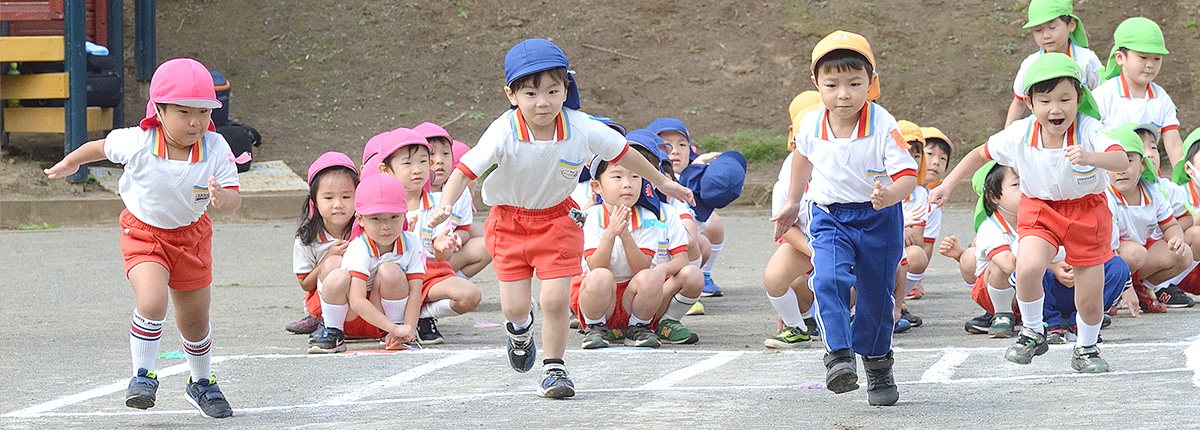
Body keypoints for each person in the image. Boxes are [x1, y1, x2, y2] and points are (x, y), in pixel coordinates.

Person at [433, 38, 693, 399]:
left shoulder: (581, 126)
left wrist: (664, 182)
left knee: (554, 300)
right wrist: (445, 204)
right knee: (515, 307)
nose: (543, 103)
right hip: (508, 221)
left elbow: (624, 153)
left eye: (553, 91)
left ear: (565, 89)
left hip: (556, 219)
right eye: (530, 94)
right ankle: (520, 332)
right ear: (511, 95)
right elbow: (463, 171)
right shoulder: (503, 131)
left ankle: (554, 369)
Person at [43, 58, 240, 418]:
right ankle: (142, 375)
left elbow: (233, 198)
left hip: (192, 237)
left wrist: (222, 197)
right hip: (144, 233)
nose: (195, 122)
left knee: (195, 320)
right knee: (152, 302)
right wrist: (71, 162)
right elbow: (98, 148)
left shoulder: (216, 147)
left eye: (203, 112)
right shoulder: (137, 141)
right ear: (159, 110)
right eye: (183, 112)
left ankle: (200, 383)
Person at [930, 53, 1130, 373]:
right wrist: (948, 185)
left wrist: (1092, 157)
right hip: (1040, 208)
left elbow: (1121, 160)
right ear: (1030, 101)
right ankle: (1033, 332)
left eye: (1065, 98)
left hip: (1087, 212)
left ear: (1079, 97)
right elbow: (980, 155)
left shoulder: (1089, 129)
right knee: (1027, 267)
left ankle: (1087, 347)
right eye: (1045, 99)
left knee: (1090, 301)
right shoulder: (1020, 133)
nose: (1056, 108)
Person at [772, 31, 917, 406]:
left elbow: (908, 176)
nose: (843, 94)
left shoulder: (884, 124)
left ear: (872, 82)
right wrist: (791, 202)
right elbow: (802, 156)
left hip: (878, 218)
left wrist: (890, 195)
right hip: (829, 215)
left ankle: (878, 364)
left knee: (875, 297)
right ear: (816, 84)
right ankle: (838, 355)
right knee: (829, 277)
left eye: (854, 83)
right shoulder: (810, 124)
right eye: (832, 84)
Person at [573, 140, 700, 349]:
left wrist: (625, 235)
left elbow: (642, 267)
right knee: (600, 276)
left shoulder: (648, 217)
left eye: (635, 176)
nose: (627, 184)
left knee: (649, 276)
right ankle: (595, 328)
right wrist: (611, 233)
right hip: (601, 298)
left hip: (633, 299)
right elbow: (596, 265)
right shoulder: (592, 217)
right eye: (617, 176)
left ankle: (638, 328)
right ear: (597, 186)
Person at [379, 127, 482, 344]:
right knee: (388, 272)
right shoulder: (380, 207)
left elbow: (441, 257)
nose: (417, 170)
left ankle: (424, 315)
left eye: (423, 161)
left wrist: (443, 247)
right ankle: (396, 322)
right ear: (386, 170)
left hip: (428, 274)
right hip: (393, 279)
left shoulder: (438, 204)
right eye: (407, 163)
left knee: (470, 295)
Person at [309, 171, 427, 354]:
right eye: (376, 218)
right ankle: (333, 331)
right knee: (337, 277)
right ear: (360, 220)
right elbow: (356, 301)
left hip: (384, 317)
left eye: (394, 216)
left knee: (391, 271)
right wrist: (397, 329)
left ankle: (392, 332)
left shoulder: (412, 243)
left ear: (405, 214)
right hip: (351, 317)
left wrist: (408, 328)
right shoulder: (359, 248)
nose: (386, 226)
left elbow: (415, 292)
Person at [762, 91, 823, 349]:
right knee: (775, 276)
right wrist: (815, 252)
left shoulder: (847, 158)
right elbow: (784, 227)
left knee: (848, 284)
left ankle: (859, 320)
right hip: (807, 242)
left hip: (846, 240)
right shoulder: (788, 171)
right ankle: (797, 326)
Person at [649, 117, 729, 297]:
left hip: (682, 235)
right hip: (651, 239)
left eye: (682, 145)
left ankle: (703, 275)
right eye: (666, 145)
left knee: (711, 227)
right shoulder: (641, 177)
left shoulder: (691, 172)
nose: (675, 151)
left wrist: (701, 169)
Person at [1094, 17, 1184, 165]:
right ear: (1120, 57)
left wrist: (1181, 182)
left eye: (1156, 59)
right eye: (1143, 57)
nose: (1150, 65)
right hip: (1113, 179)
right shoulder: (1103, 95)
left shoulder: (1162, 99)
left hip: (1150, 180)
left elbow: (1174, 145)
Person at [288, 152, 359, 335]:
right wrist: (328, 257)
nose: (338, 204)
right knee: (334, 264)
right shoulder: (308, 238)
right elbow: (305, 284)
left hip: (358, 298)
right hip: (320, 300)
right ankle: (322, 319)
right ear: (315, 202)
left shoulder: (366, 231)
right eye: (328, 198)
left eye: (346, 197)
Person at [1004, 0, 1102, 126]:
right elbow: (1018, 102)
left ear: (1071, 25)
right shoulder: (1030, 64)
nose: (1046, 35)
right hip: (1045, 135)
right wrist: (1005, 137)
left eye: (1052, 27)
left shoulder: (1087, 60)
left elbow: (1102, 97)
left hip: (1083, 131)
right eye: (1038, 30)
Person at [415, 122, 492, 278]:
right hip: (413, 264)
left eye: (445, 154)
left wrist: (456, 239)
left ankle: (451, 283)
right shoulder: (409, 191)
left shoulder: (460, 193)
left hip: (444, 257)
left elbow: (464, 229)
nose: (439, 160)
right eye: (431, 154)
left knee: (488, 246)